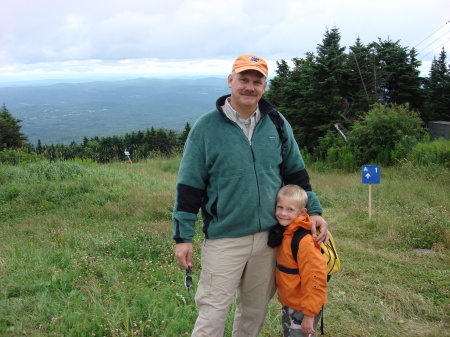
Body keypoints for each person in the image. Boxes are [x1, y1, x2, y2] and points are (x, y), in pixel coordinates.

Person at [172, 54, 329, 337]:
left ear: (264, 87)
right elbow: (189, 187)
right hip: (224, 239)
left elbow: (296, 173)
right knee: (212, 313)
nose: (250, 87)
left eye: (257, 82)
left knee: (254, 315)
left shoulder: (277, 124)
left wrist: (314, 210)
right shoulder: (206, 128)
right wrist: (183, 238)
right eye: (244, 79)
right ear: (231, 81)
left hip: (270, 239)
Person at [275, 185, 327, 337]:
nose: (283, 213)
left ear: (303, 212)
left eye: (290, 209)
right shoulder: (286, 232)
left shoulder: (304, 241)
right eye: (280, 207)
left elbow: (315, 279)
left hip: (304, 308)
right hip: (290, 303)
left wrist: (309, 315)